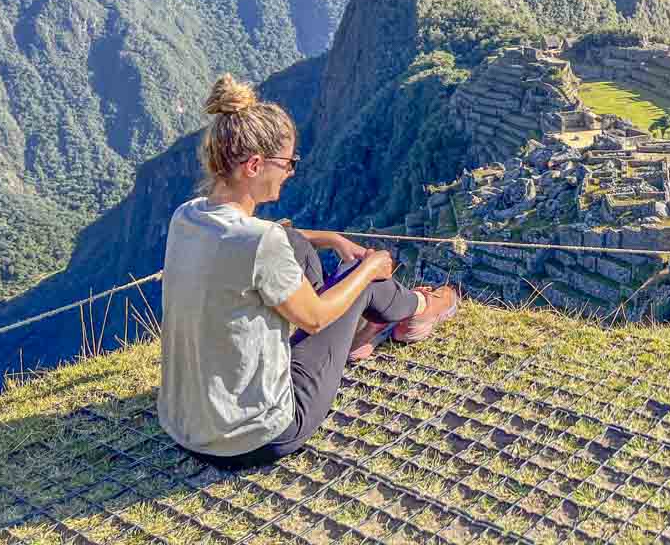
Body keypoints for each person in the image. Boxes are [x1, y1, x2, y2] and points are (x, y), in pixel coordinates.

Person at [158, 74, 458, 469]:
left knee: (296, 243)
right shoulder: (260, 243)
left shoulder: (188, 216)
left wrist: (330, 238)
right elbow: (314, 318)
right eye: (287, 163)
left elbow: (279, 240)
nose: (291, 171)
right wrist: (367, 269)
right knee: (360, 278)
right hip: (259, 435)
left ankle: (370, 328)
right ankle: (422, 307)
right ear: (254, 165)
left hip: (185, 427)